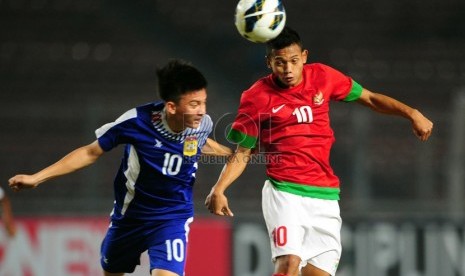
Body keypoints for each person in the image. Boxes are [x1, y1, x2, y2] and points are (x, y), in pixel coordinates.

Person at [205, 26, 433, 276]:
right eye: (280, 62)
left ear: (304, 56)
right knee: (289, 263)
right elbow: (243, 151)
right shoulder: (256, 97)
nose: (288, 69)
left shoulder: (323, 76)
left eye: (293, 61)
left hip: (325, 197)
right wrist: (219, 188)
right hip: (284, 192)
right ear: (269, 62)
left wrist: (412, 113)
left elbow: (369, 98)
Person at [9, 59, 232, 276]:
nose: (202, 110)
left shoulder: (202, 124)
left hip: (172, 217)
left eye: (204, 102)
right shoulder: (136, 122)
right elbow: (90, 152)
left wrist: (233, 155)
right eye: (194, 104)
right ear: (171, 106)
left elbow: (197, 144)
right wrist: (37, 178)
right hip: (130, 217)